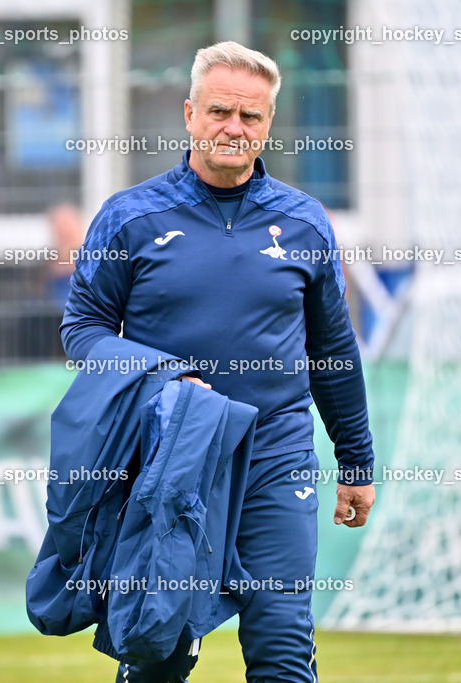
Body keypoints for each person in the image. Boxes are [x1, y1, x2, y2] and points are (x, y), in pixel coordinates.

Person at [61, 42, 376, 682]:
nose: (234, 128)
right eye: (220, 111)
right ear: (190, 114)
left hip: (275, 455)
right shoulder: (131, 218)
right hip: (170, 456)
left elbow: (333, 351)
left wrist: (357, 458)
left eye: (251, 117)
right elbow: (84, 329)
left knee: (283, 644)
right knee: (157, 651)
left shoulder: (305, 222)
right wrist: (164, 375)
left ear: (268, 125)